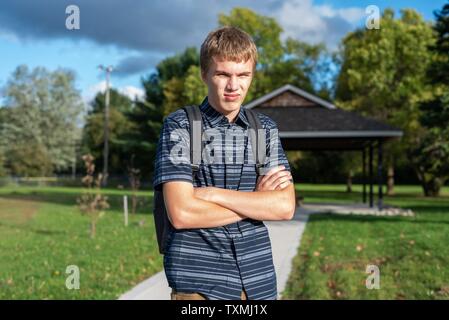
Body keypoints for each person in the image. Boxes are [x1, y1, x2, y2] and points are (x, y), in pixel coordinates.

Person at [152, 26, 296, 300]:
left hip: (259, 282)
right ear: (204, 74)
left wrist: (213, 195)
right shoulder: (182, 126)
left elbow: (285, 207)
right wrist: (257, 203)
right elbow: (183, 214)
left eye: (243, 75)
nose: (234, 86)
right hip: (200, 286)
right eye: (223, 74)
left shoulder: (263, 129)